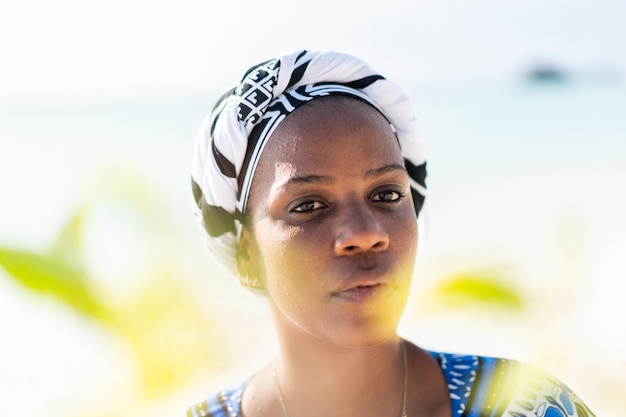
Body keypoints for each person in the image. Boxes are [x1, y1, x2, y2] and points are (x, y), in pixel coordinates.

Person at [184, 50, 595, 417]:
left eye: (386, 194)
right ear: (246, 256)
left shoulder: (530, 407)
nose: (364, 234)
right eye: (308, 205)